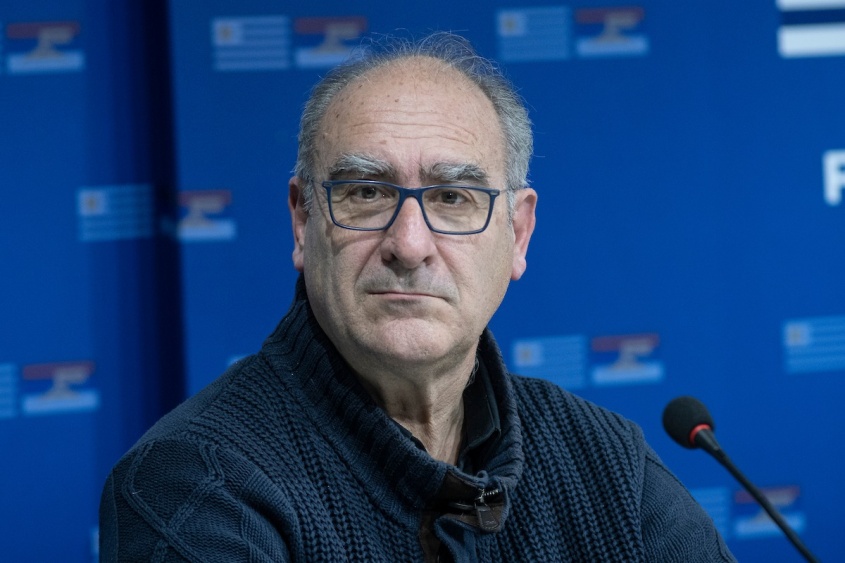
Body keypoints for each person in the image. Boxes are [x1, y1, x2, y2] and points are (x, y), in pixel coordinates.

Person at [99, 32, 736, 562]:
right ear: (302, 222)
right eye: (366, 193)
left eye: (453, 198)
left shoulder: (607, 461)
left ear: (517, 235)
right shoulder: (192, 483)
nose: (409, 244)